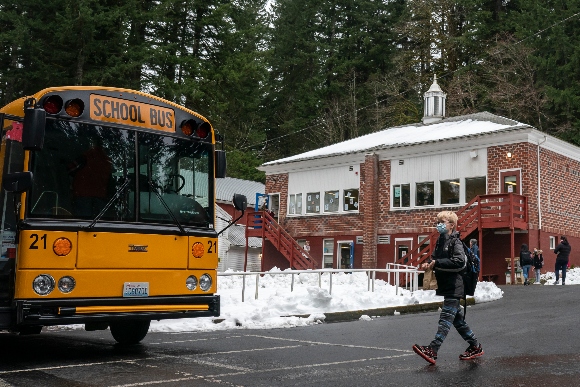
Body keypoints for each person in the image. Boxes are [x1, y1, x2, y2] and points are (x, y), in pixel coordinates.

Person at [413, 211, 483, 365]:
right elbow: (436, 258)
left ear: (451, 225)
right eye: (438, 221)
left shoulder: (455, 242)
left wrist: (437, 263)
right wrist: (429, 263)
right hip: (446, 284)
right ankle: (475, 346)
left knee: (445, 318)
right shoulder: (440, 241)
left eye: (442, 222)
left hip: (455, 285)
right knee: (458, 321)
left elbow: (459, 262)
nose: (439, 224)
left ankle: (433, 349)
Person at [67, 137, 112, 217]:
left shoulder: (86, 157)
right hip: (101, 198)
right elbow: (110, 182)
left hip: (83, 196)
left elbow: (69, 170)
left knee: (82, 222)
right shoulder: (107, 161)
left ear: (92, 143)